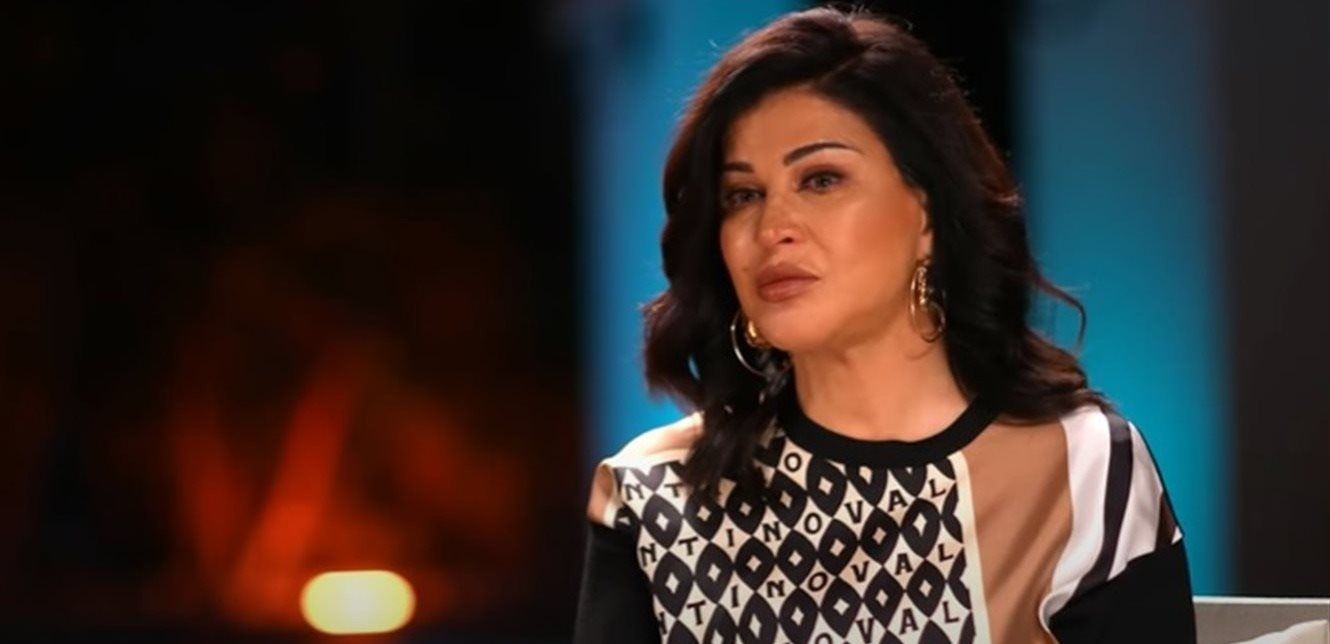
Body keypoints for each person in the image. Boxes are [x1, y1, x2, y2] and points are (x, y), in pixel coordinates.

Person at [573, 6, 1196, 643]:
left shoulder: (1080, 471)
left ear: (927, 217)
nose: (772, 228)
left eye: (821, 180)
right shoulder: (654, 494)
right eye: (743, 195)